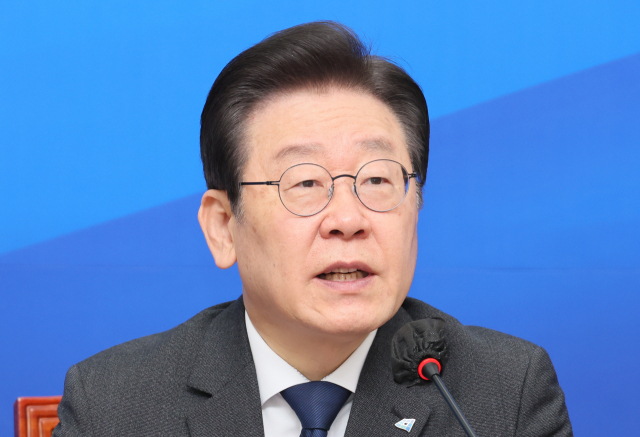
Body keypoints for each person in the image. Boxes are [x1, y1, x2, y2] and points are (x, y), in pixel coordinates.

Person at [53, 21, 572, 437]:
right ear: (223, 227)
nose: (348, 220)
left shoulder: (502, 392)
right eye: (304, 183)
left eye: (377, 179)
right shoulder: (115, 404)